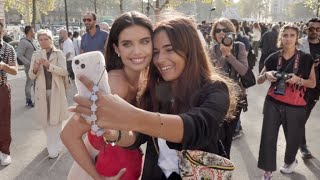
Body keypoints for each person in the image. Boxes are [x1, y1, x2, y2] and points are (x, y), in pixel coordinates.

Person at [65, 14, 239, 179]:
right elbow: (138, 137)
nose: (160, 59)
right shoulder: (158, 88)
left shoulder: (215, 88)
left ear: (190, 50)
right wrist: (115, 134)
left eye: (170, 50)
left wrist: (129, 116)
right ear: (116, 48)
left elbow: (196, 127)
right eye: (156, 52)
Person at [61, 11, 153, 180]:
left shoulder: (147, 77)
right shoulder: (115, 85)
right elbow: (68, 135)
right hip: (100, 169)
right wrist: (98, 177)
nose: (137, 51)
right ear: (116, 48)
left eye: (144, 41)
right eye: (127, 44)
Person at [257, 24, 316, 179]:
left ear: (297, 38)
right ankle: (267, 171)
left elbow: (312, 83)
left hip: (296, 106)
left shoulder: (305, 58)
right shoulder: (272, 57)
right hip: (273, 103)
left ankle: (290, 161)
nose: (288, 38)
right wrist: (267, 74)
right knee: (268, 137)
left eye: (292, 35)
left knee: (293, 139)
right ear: (280, 38)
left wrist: (299, 80)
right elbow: (259, 79)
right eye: (285, 35)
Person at [209, 18, 248, 159]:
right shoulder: (212, 49)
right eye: (218, 30)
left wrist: (228, 55)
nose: (221, 33)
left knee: (228, 137)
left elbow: (243, 70)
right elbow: (213, 73)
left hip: (235, 97)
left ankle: (225, 166)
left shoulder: (239, 47)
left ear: (231, 32)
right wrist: (222, 54)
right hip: (216, 96)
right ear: (214, 33)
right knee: (217, 135)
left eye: (225, 30)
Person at [28, 29, 68, 158]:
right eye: (41, 39)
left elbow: (64, 72)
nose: (43, 42)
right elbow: (31, 76)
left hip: (56, 91)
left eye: (46, 39)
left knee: (55, 120)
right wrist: (35, 68)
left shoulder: (59, 53)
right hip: (41, 92)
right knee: (45, 120)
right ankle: (55, 142)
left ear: (51, 40)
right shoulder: (36, 54)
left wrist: (49, 66)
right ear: (38, 41)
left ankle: (52, 147)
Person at [298, 17, 320, 159]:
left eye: (318, 29)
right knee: (301, 118)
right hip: (306, 87)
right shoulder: (299, 44)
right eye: (312, 28)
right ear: (306, 28)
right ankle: (302, 145)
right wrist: (310, 65)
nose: (315, 32)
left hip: (318, 87)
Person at [0, 21, 18, 166]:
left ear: (3, 31)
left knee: (4, 122)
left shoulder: (8, 48)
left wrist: (4, 66)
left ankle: (4, 151)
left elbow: (15, 70)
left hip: (1, 88)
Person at [17, 25, 37, 107]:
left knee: (36, 83)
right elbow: (20, 55)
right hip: (29, 67)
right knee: (29, 83)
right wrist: (29, 63)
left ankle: (38, 99)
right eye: (33, 31)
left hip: (36, 66)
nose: (34, 32)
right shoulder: (23, 42)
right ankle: (28, 101)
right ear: (29, 32)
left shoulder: (33, 41)